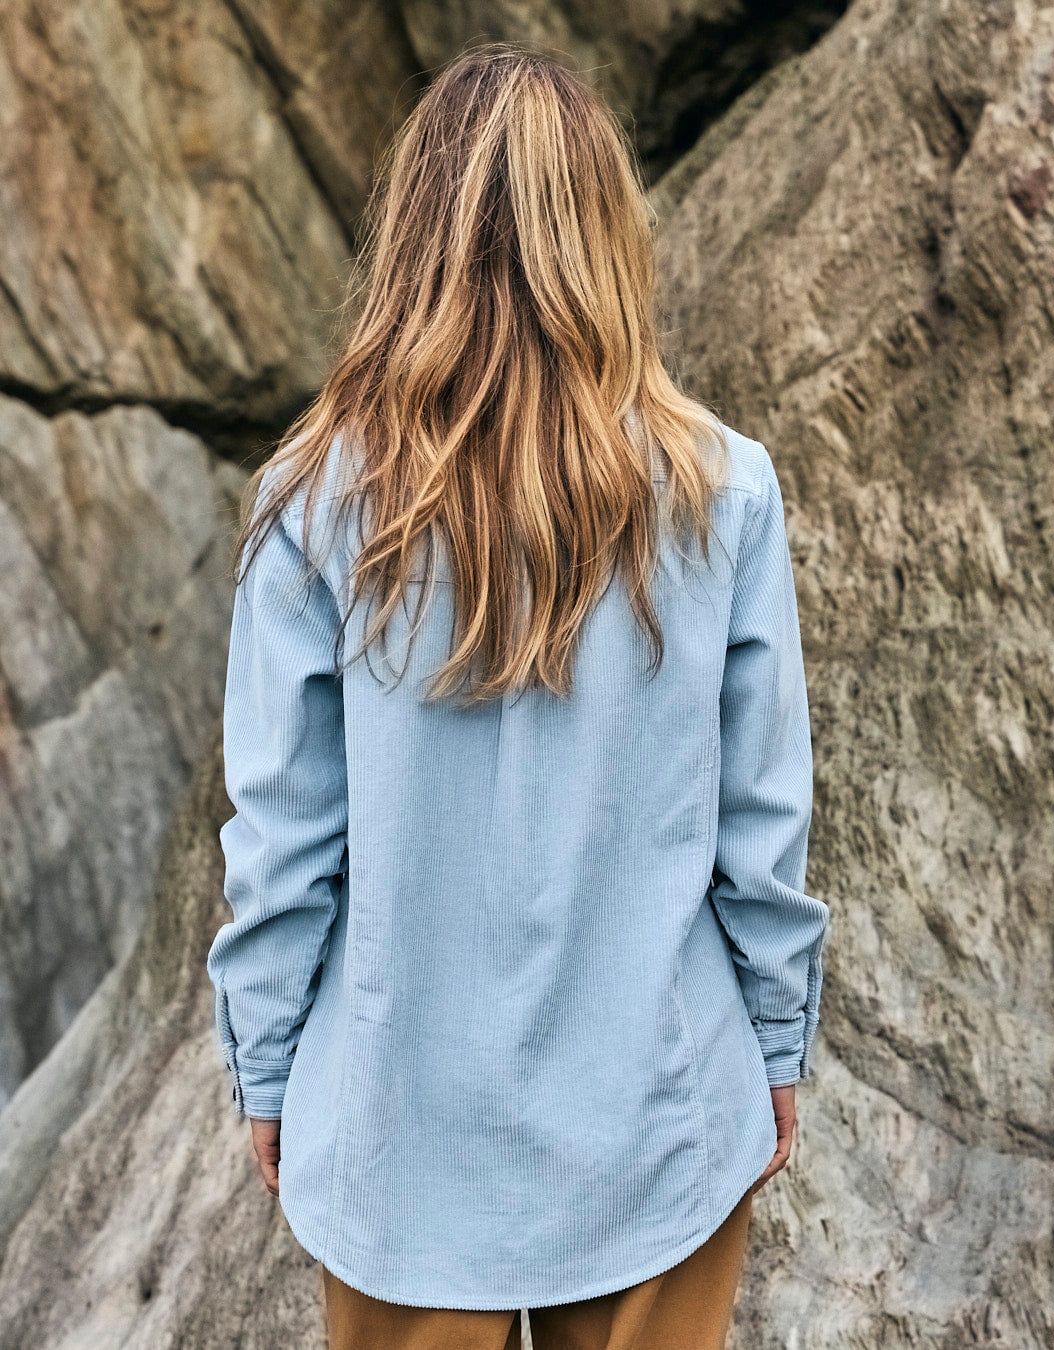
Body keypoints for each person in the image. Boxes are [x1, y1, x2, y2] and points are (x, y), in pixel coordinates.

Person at [206, 41, 830, 1350]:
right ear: (609, 233)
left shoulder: (310, 504)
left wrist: (267, 1066)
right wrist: (776, 1041)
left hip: (400, 1143)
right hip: (661, 1117)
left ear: (410, 238)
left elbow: (281, 849)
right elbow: (763, 831)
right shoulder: (723, 489)